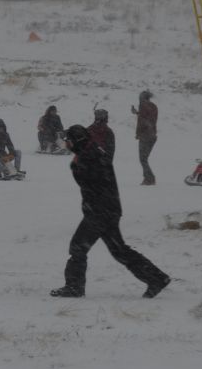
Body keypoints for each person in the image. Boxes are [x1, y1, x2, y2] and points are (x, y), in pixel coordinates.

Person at [50, 124, 170, 299]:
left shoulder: (88, 157)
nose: (66, 144)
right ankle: (157, 278)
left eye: (68, 140)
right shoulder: (92, 152)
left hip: (100, 212)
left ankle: (74, 288)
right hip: (108, 210)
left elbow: (88, 182)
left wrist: (76, 166)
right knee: (119, 250)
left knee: (78, 247)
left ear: (77, 141)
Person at [131, 91, 158, 185]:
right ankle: (148, 178)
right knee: (144, 159)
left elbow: (144, 120)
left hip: (145, 136)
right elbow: (149, 117)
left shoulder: (143, 105)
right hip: (153, 136)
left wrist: (139, 133)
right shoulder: (154, 106)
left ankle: (149, 179)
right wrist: (137, 113)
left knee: (143, 159)